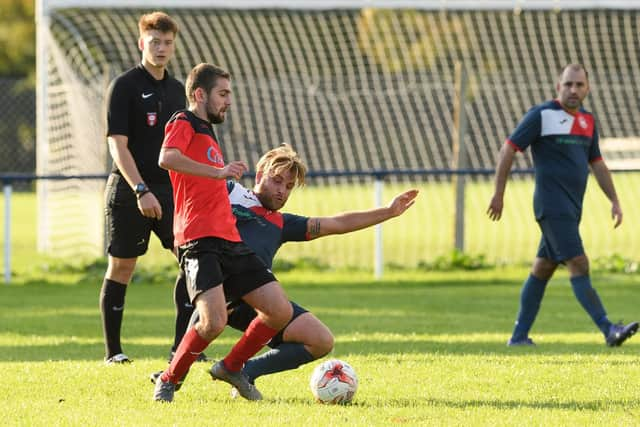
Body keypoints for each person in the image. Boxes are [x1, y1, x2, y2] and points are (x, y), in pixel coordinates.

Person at [153, 144, 418, 395]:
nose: (282, 191)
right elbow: (190, 196)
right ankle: (173, 374)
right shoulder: (228, 191)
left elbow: (336, 223)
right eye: (277, 181)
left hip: (258, 302)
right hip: (218, 288)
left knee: (321, 340)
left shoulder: (282, 223)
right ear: (259, 175)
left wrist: (388, 211)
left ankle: (242, 371)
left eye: (289, 186)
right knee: (206, 321)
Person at [152, 63, 295, 403]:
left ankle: (232, 367)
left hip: (229, 238)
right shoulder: (182, 121)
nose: (228, 101)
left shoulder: (207, 130)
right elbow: (167, 157)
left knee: (279, 311)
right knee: (213, 322)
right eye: (223, 93)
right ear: (199, 94)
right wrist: (218, 172)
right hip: (198, 238)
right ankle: (170, 378)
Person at [487, 63, 638, 347]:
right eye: (568, 84)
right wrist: (499, 194)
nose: (573, 90)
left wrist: (615, 200)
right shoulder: (542, 115)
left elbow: (597, 163)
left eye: (579, 85)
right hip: (551, 207)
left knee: (543, 267)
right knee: (579, 263)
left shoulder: (588, 121)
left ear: (587, 88)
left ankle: (519, 337)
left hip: (571, 209)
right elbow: (508, 148)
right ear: (558, 86)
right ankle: (609, 330)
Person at [100, 11, 188, 365]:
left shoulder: (177, 89)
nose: (162, 48)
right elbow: (117, 145)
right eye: (155, 41)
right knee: (122, 267)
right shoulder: (124, 86)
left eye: (167, 42)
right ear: (142, 43)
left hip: (169, 191)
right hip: (129, 191)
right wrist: (140, 189)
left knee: (192, 263)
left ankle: (182, 349)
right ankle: (114, 353)